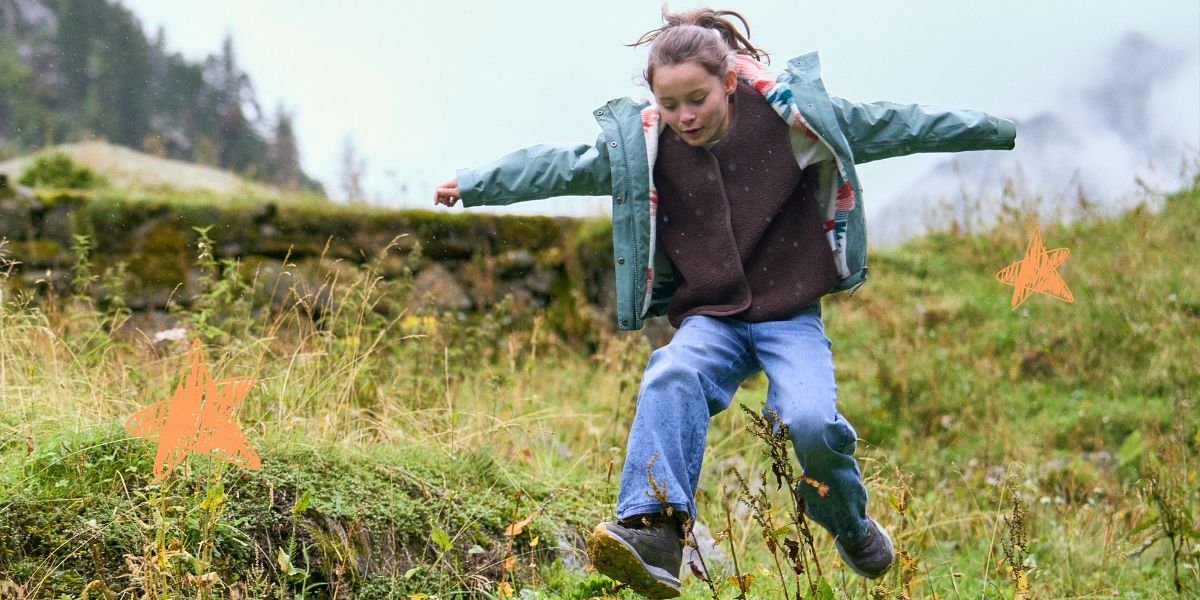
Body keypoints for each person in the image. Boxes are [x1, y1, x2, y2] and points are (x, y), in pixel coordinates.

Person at [434, 7, 1015, 598]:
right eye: (671, 104)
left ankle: (849, 523)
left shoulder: (791, 118)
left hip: (790, 315)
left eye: (698, 100)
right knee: (673, 371)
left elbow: (900, 124)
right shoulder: (648, 146)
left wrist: (996, 129)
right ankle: (655, 531)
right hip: (712, 317)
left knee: (811, 422)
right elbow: (561, 166)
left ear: (728, 82)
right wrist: (478, 183)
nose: (684, 117)